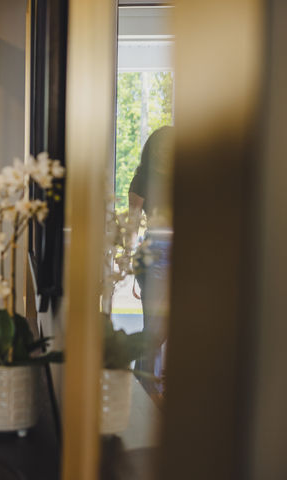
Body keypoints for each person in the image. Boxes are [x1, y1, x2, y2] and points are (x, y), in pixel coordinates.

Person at [128, 125, 174, 396]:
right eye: (162, 145)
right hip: (156, 249)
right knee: (155, 328)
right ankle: (147, 388)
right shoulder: (143, 177)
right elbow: (132, 222)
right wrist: (126, 255)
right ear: (152, 149)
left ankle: (143, 378)